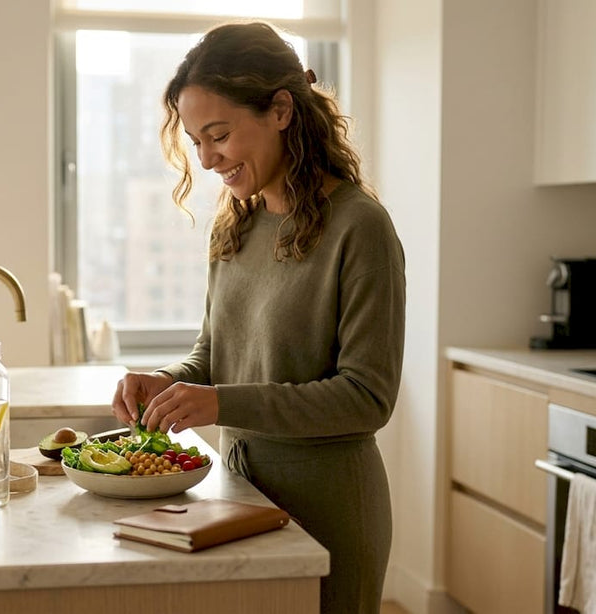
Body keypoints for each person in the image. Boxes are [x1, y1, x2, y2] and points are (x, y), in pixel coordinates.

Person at [111, 21, 406, 614]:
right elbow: (213, 355)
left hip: (330, 510)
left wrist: (219, 402)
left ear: (280, 110)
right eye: (196, 141)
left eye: (218, 134)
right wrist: (168, 382)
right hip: (240, 498)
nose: (208, 158)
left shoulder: (360, 228)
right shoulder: (237, 224)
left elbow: (367, 397)